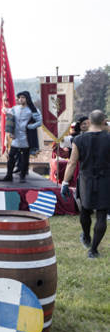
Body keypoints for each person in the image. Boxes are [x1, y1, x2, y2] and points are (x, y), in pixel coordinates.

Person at [62, 110, 110, 259]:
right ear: (104, 121)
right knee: (101, 215)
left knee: (85, 210)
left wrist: (64, 182)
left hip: (85, 180)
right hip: (105, 180)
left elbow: (72, 162)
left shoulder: (79, 140)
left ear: (89, 121)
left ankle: (87, 237)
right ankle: (93, 250)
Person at [0, 91, 42, 183]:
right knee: (11, 156)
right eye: (19, 98)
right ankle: (9, 175)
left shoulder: (33, 110)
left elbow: (39, 121)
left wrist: (31, 127)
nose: (21, 99)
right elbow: (6, 111)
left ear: (27, 98)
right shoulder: (15, 108)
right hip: (16, 138)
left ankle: (22, 176)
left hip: (26, 138)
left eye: (23, 97)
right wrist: (4, 100)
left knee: (24, 158)